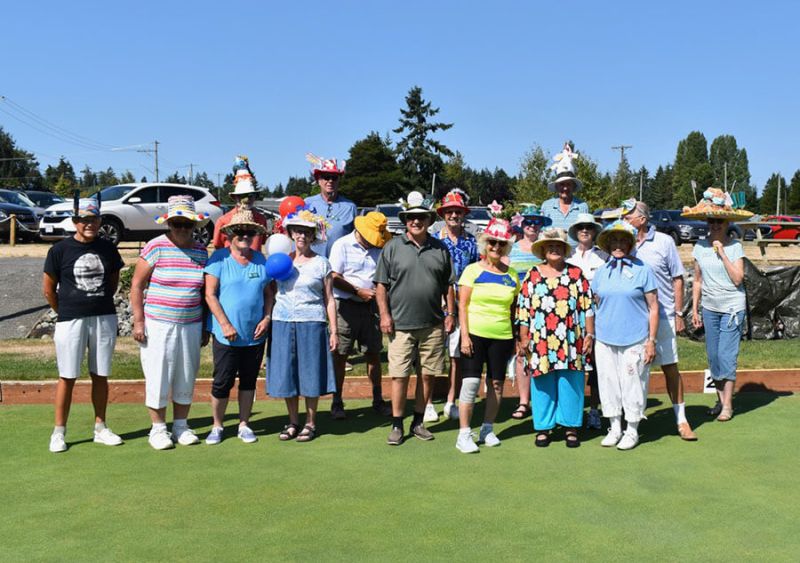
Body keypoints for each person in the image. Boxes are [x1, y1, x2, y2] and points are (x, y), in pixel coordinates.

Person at [43, 198, 125, 453]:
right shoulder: (59, 250)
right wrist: (66, 310)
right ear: (75, 222)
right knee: (67, 376)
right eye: (84, 220)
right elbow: (48, 290)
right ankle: (59, 432)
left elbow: (113, 283)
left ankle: (100, 427)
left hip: (103, 317)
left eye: (94, 219)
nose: (89, 224)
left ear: (100, 221)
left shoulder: (108, 248)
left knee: (100, 374)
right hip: (70, 319)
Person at [375, 191, 456, 446]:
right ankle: (397, 424)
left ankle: (418, 422)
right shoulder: (392, 247)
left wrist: (451, 314)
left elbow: (449, 286)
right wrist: (385, 315)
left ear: (428, 220)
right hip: (400, 325)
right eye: (412, 217)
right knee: (399, 376)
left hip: (432, 324)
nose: (416, 221)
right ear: (406, 219)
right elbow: (381, 286)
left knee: (427, 376)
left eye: (421, 217)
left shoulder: (440, 248)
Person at [130, 196, 210, 450]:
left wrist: (205, 325)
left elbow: (204, 292)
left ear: (194, 225)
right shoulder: (155, 247)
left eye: (187, 224)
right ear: (169, 224)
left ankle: (181, 426)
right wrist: (139, 321)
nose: (182, 228)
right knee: (158, 374)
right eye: (177, 223)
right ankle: (158, 429)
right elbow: (136, 285)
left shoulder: (200, 250)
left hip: (191, 323)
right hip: (158, 323)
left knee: (186, 374)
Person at [622, 199, 697, 441]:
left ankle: (682, 420)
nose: (624, 220)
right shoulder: (623, 244)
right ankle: (630, 423)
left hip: (662, 315)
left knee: (670, 367)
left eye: (628, 216)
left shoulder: (664, 242)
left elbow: (678, 279)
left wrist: (678, 313)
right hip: (632, 318)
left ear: (642, 219)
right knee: (632, 370)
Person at [516, 228, 594, 448]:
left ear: (564, 250)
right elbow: (523, 308)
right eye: (550, 246)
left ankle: (570, 426)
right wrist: (523, 337)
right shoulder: (532, 274)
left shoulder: (576, 274)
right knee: (542, 381)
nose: (554, 249)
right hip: (540, 338)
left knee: (571, 380)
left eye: (558, 246)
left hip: (571, 338)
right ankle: (543, 427)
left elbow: (588, 306)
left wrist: (589, 334)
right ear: (543, 250)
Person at [204, 208, 274, 445]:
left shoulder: (261, 260)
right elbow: (210, 294)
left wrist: (266, 318)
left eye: (249, 232)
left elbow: (268, 294)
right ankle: (217, 425)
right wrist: (224, 324)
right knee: (222, 380)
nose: (244, 235)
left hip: (254, 334)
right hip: (227, 335)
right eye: (240, 232)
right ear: (230, 234)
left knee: (248, 380)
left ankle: (244, 424)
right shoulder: (219, 259)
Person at [267, 208, 337, 442]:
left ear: (312, 235)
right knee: (288, 373)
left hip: (312, 322)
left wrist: (333, 330)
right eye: (297, 231)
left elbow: (329, 299)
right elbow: (271, 292)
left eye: (306, 232)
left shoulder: (321, 264)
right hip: (283, 322)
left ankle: (310, 422)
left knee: (309, 373)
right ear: (291, 233)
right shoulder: (281, 261)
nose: (301, 236)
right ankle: (293, 421)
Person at [591, 220, 659, 451]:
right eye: (614, 241)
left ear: (630, 244)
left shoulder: (643, 270)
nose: (618, 245)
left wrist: (651, 341)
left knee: (633, 383)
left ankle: (632, 429)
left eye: (623, 241)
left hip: (635, 338)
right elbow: (598, 302)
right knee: (608, 382)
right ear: (608, 245)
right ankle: (614, 427)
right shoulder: (601, 272)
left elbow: (654, 307)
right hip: (605, 338)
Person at [685, 189, 751, 422]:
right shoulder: (699, 247)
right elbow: (698, 280)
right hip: (710, 307)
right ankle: (720, 400)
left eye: (719, 221)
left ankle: (728, 406)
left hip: (732, 306)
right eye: (711, 221)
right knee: (713, 356)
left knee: (726, 354)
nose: (714, 225)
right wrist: (694, 308)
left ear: (727, 223)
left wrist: (722, 253)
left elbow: (737, 279)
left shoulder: (735, 248)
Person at [454, 218, 519, 453]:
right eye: (492, 242)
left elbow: (514, 309)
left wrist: (516, 337)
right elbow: (462, 305)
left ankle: (487, 429)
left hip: (501, 336)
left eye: (501, 243)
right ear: (485, 243)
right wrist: (465, 336)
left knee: (497, 384)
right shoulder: (472, 270)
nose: (496, 247)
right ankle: (463, 434)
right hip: (474, 334)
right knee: (470, 384)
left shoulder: (512, 275)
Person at [328, 211, 393, 419]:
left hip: (371, 307)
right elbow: (334, 277)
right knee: (341, 355)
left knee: (373, 353)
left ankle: (378, 399)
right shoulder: (342, 245)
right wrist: (357, 291)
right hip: (346, 306)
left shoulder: (379, 247)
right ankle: (337, 402)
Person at [428, 189, 479, 423]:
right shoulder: (435, 240)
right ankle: (427, 403)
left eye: (458, 211)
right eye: (450, 211)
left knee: (456, 355)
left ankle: (451, 401)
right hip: (435, 303)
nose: (454, 215)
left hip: (463, 305)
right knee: (431, 353)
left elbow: (477, 271)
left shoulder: (471, 242)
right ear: (443, 214)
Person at [505, 204, 551, 421]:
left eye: (537, 222)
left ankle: (543, 399)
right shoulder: (511, 249)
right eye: (528, 222)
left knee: (543, 353)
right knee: (522, 353)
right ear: (521, 224)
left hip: (544, 311)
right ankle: (524, 401)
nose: (532, 226)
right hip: (517, 309)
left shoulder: (544, 250)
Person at [566, 213, 608, 430]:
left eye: (589, 227)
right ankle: (573, 411)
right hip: (570, 321)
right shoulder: (567, 256)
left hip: (598, 319)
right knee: (573, 367)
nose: (585, 230)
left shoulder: (604, 256)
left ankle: (594, 411)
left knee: (596, 368)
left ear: (594, 231)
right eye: (581, 227)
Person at [212, 156, 271, 251]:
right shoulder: (223, 221)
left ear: (255, 197)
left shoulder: (261, 220)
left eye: (250, 195)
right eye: (242, 195)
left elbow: (262, 242)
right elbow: (217, 246)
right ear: (235, 197)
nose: (246, 199)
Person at [304, 154, 357, 257]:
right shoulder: (307, 203)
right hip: (312, 263)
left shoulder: (350, 207)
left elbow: (356, 239)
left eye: (334, 178)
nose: (330, 181)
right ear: (319, 181)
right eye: (326, 177)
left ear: (339, 181)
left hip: (339, 266)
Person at [540, 142, 589, 244]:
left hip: (576, 257)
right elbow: (541, 232)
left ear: (574, 186)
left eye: (568, 184)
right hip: (553, 253)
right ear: (557, 186)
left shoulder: (582, 207)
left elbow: (587, 234)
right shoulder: (546, 206)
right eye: (562, 184)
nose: (565, 188)